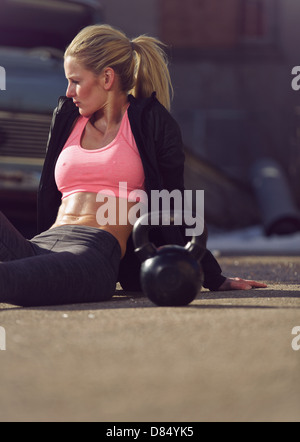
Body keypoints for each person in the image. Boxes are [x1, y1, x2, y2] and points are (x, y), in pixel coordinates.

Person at [0, 25, 267, 307]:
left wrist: (213, 276)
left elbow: (176, 202)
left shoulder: (150, 123)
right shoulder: (67, 117)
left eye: (75, 81)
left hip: (91, 256)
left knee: (8, 279)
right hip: (40, 244)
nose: (68, 92)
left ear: (106, 78)